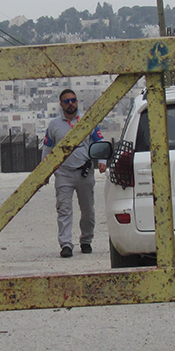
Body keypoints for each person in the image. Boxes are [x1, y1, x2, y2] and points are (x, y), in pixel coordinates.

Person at [42, 88, 106, 257]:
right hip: (64, 173)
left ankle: (86, 240)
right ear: (61, 104)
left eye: (73, 100)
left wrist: (102, 161)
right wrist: (45, 171)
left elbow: (99, 141)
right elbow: (47, 148)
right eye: (67, 101)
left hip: (84, 172)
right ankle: (66, 244)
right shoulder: (54, 125)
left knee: (88, 210)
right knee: (64, 209)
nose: (71, 104)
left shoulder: (87, 120)